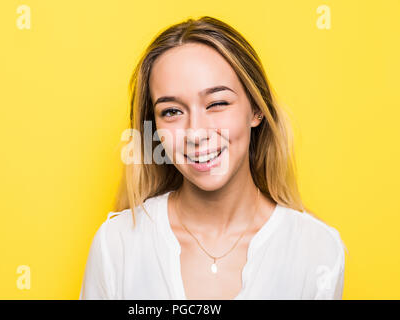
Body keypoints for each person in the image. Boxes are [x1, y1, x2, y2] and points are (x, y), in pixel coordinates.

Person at [79, 16, 347, 300]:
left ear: (256, 109)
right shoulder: (115, 245)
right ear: (154, 128)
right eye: (171, 111)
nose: (195, 133)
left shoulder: (318, 251)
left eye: (217, 103)